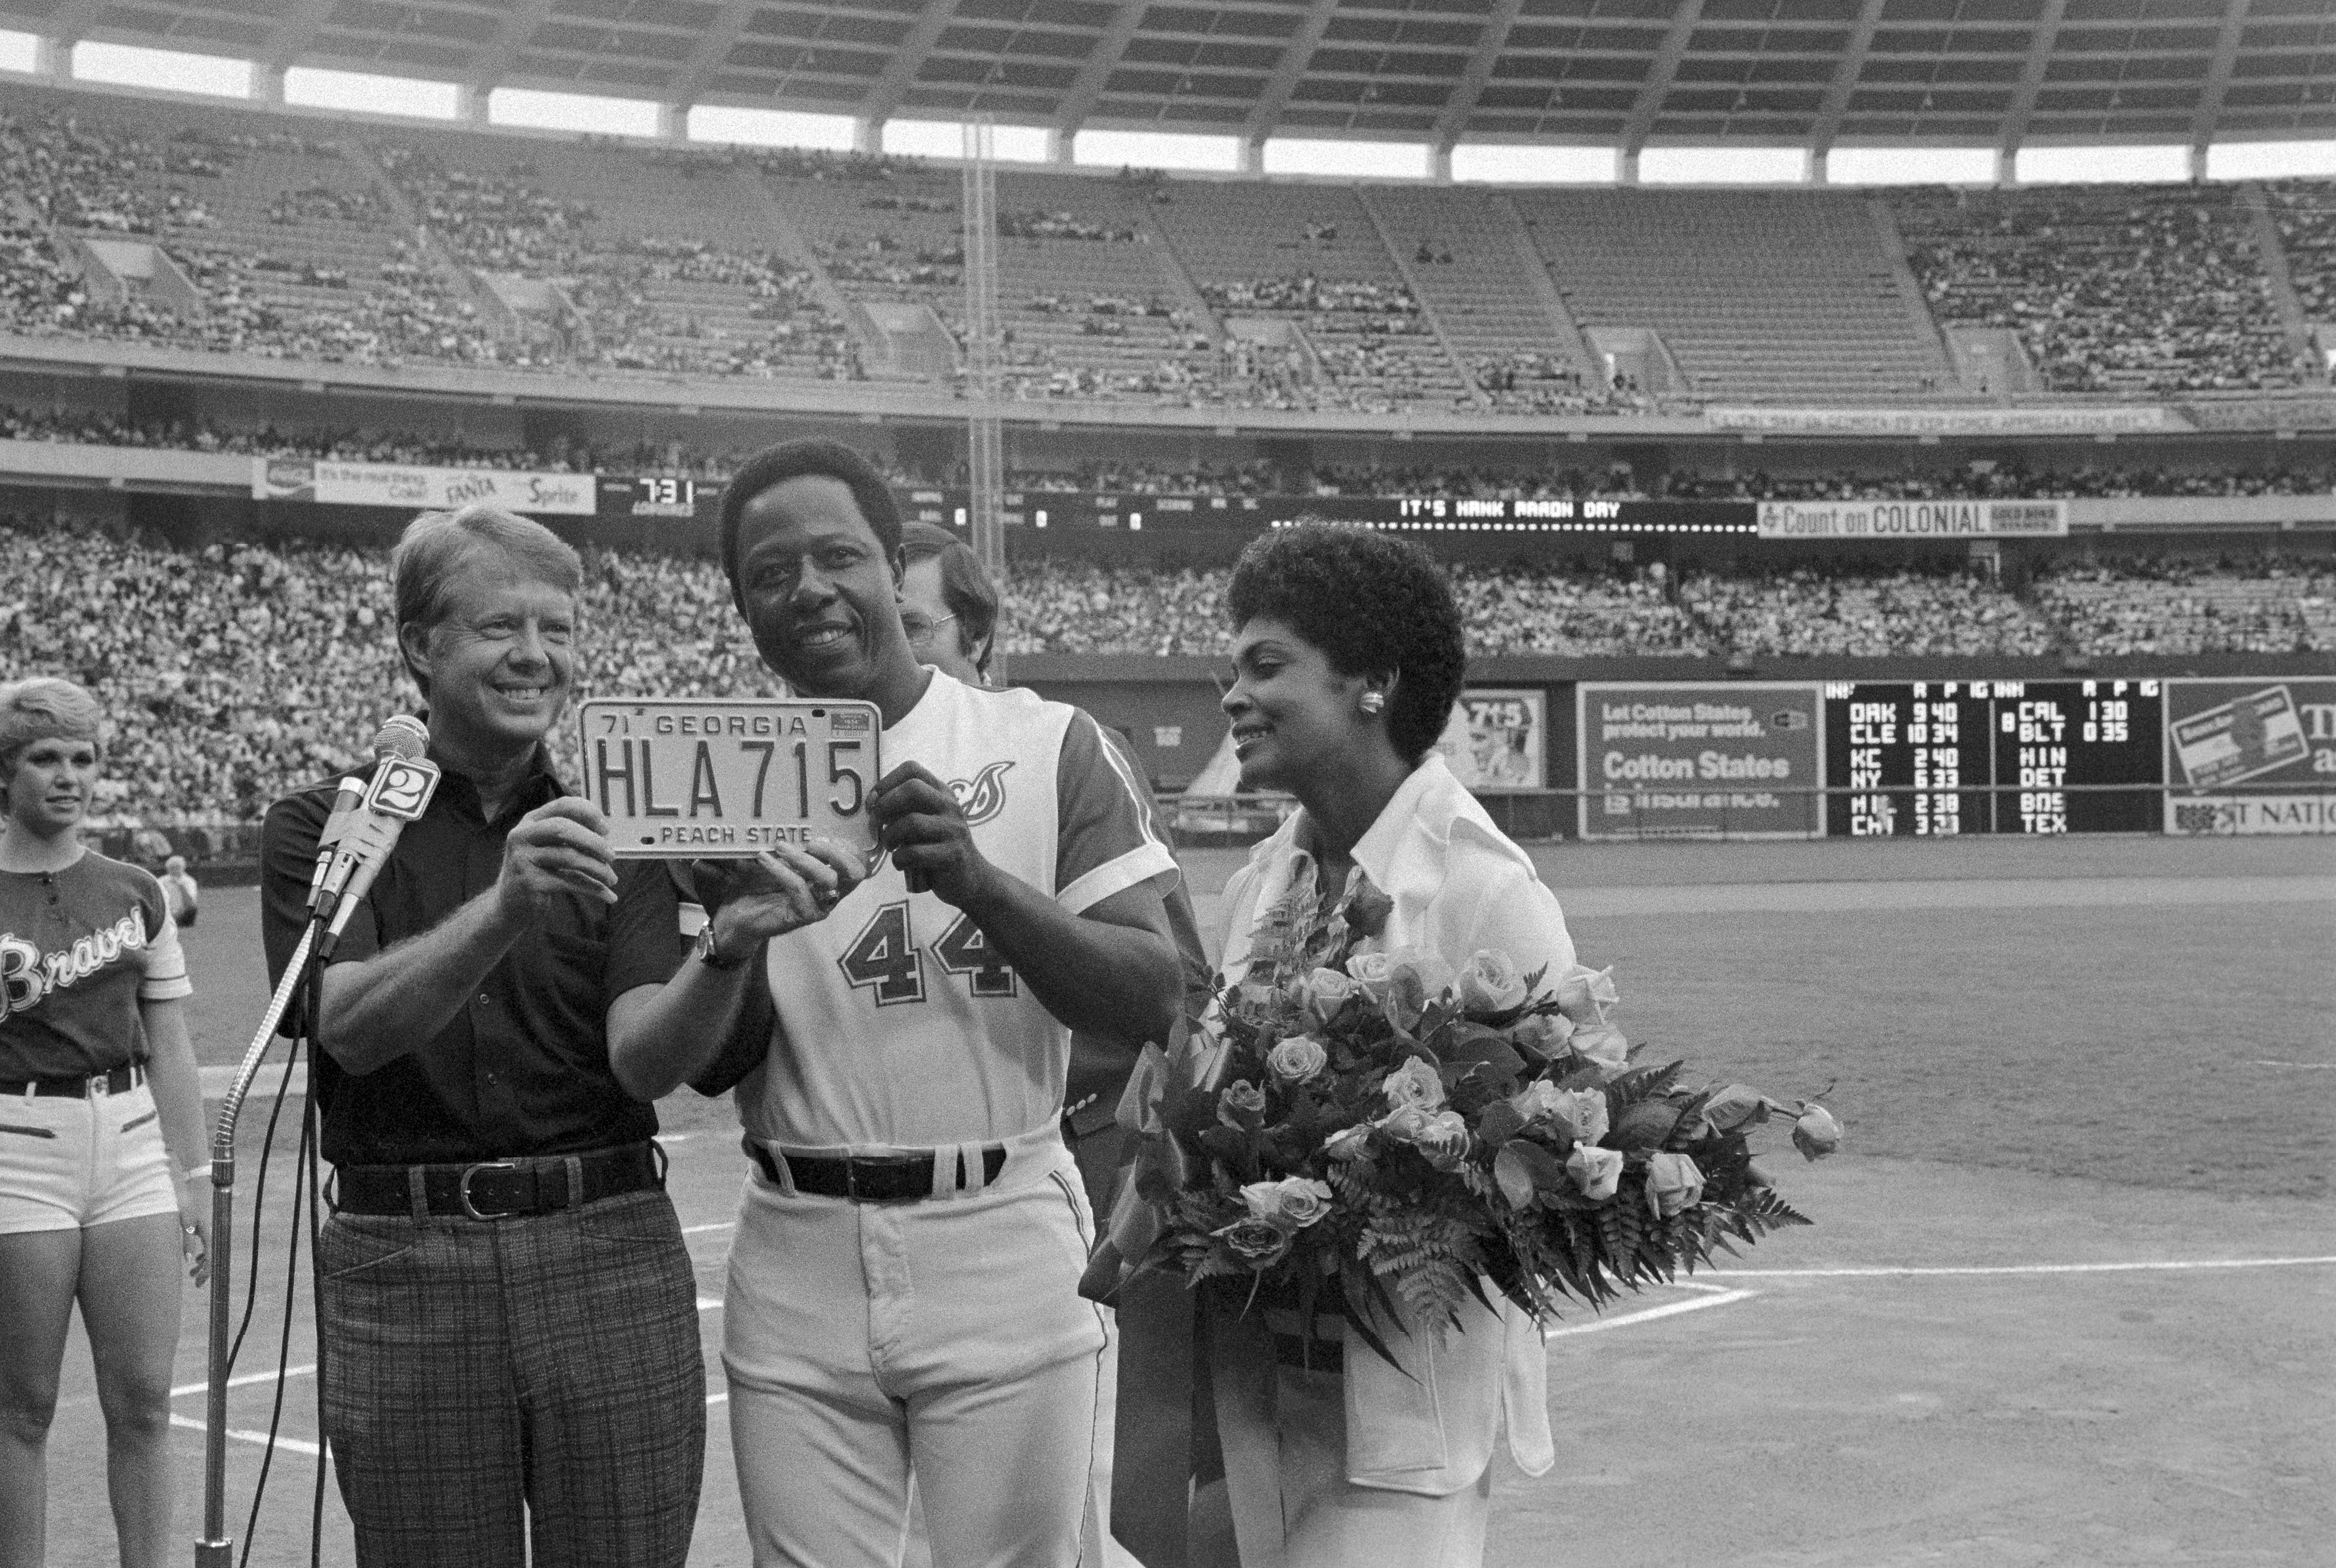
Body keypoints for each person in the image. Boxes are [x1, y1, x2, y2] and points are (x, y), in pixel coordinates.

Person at [605, 439, 1185, 1568]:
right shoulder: (699, 773)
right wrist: (725, 946)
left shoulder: (1043, 742)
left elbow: (1151, 989)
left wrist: (979, 885)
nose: (807, 588)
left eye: (836, 556)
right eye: (770, 572)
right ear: (741, 607)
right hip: (796, 1240)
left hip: (1001, 1218)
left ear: (889, 564)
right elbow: (650, 1060)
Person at [258, 504, 704, 1568]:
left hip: (609, 1245)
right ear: (421, 646)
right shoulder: (329, 823)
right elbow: (347, 1030)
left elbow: (648, 1060)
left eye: (559, 629)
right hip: (404, 1260)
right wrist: (503, 909)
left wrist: (728, 949)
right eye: (503, 627)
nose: (537, 657)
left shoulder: (623, 824)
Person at [1205, 525, 1570, 1568]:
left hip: (1402, 1408)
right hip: (1251, 1385)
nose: (1232, 694)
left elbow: (1562, 1177)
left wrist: (1372, 1184)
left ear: (1371, 683)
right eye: (1230, 668)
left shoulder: (1482, 888)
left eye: (1265, 667)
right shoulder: (1255, 887)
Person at [894, 518, 1215, 1567]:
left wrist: (1142, 1151)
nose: (889, 652)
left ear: (976, 638)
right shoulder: (824, 766)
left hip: (1072, 1156)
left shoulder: (1049, 749)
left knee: (1076, 1511)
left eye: (911, 625)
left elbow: (1178, 977)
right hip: (896, 1202)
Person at [0, 676, 209, 1568]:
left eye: (83, 758)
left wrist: (194, 1178)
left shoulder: (137, 891)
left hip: (128, 1147)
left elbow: (169, 1041)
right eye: (45, 757)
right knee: (21, 1407)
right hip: (15, 1147)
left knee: (146, 1399)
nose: (69, 775)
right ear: (5, 770)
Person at [157, 856, 198, 930]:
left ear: (183, 868)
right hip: (167, 911)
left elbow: (191, 900)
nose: (175, 870)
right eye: (172, 868)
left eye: (177, 867)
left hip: (184, 912)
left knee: (192, 909)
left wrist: (180, 886)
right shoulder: (162, 881)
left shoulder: (189, 881)